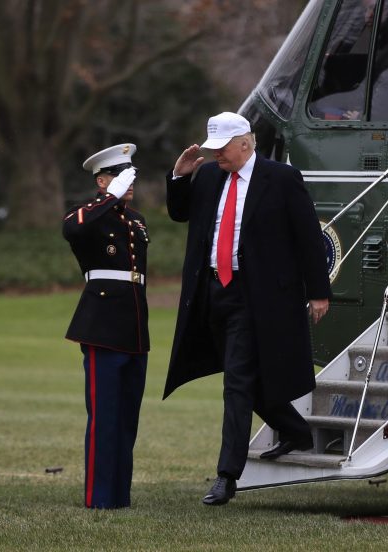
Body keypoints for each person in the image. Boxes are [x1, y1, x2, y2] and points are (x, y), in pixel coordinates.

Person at [163, 111, 331, 506]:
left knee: (236, 382)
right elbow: (179, 213)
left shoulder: (282, 179)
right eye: (213, 149)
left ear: (245, 143)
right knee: (244, 376)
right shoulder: (207, 176)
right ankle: (294, 430)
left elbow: (308, 236)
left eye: (222, 149)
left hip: (257, 297)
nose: (216, 156)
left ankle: (227, 476)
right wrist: (178, 176)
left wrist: (319, 292)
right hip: (211, 293)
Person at [62, 144, 150, 509]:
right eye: (118, 174)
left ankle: (120, 495)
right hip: (101, 323)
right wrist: (108, 198)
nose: (128, 181)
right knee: (104, 416)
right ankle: (99, 498)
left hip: (133, 323)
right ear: (102, 180)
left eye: (130, 174)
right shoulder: (89, 216)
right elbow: (73, 230)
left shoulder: (135, 220)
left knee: (127, 416)